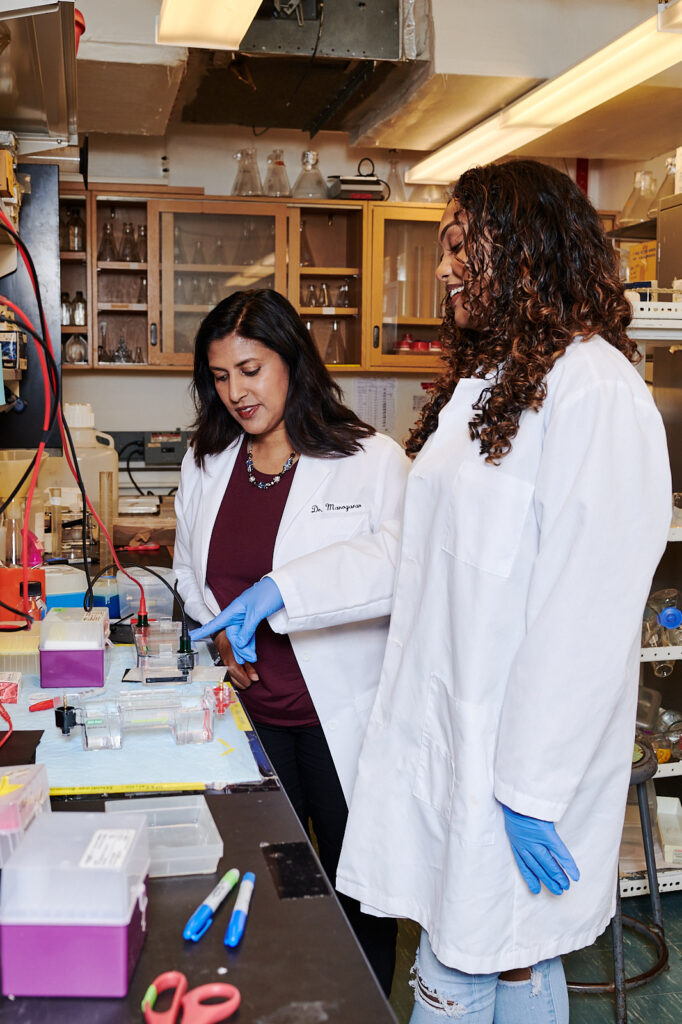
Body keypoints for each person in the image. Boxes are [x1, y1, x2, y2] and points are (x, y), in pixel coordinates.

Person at [213, 162, 671, 1022]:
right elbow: (420, 558)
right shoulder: (490, 386)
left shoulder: (595, 389)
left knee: (472, 965)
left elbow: (588, 610)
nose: (447, 267)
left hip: (518, 768)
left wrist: (533, 790)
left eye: (464, 246)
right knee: (501, 962)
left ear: (527, 249)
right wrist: (284, 589)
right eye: (445, 248)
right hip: (460, 746)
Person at [175, 288, 409, 995]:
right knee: (262, 881)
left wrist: (282, 590)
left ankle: (361, 1005)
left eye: (251, 370)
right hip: (251, 721)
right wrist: (221, 634)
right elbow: (190, 572)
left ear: (293, 360)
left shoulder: (371, 459)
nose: (236, 393)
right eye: (221, 377)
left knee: (355, 893)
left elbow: (401, 564)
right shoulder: (208, 460)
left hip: (342, 721)